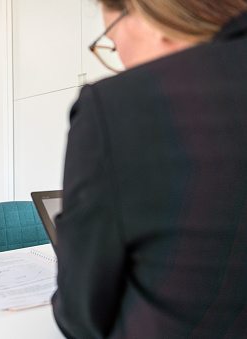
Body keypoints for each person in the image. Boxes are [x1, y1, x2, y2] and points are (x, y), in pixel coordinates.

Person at [52, 0, 247, 337]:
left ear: (149, 18)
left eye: (111, 44)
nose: (121, 64)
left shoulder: (117, 105)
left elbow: (81, 316)